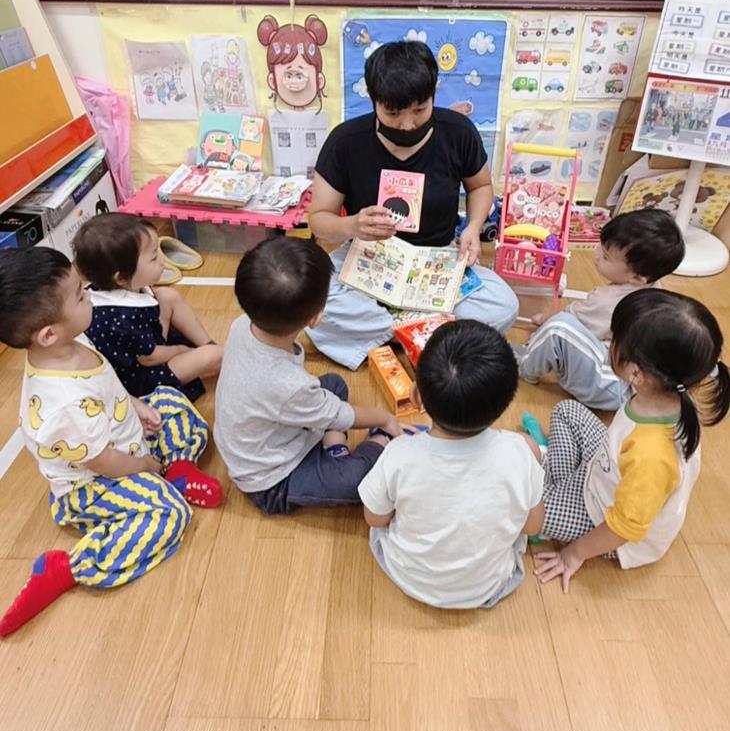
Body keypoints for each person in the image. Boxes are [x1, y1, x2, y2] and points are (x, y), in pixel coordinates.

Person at [0, 248, 223, 637]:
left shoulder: (73, 340)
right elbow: (103, 462)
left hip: (123, 441)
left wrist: (135, 404)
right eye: (80, 296)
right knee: (169, 514)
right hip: (95, 483)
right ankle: (67, 568)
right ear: (49, 334)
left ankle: (178, 470)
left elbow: (106, 386)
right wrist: (145, 466)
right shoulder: (62, 405)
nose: (89, 294)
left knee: (171, 401)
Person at [305, 41, 519, 370]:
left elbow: (480, 186)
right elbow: (319, 219)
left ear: (433, 94)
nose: (407, 124)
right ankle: (426, 332)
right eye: (393, 113)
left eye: (420, 110)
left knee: (503, 304)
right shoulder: (345, 141)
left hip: (439, 257)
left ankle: (390, 330)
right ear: (373, 99)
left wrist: (474, 228)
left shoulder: (458, 131)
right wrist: (352, 225)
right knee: (311, 299)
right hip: (367, 257)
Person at [529, 289, 730, 592]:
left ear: (636, 372)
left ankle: (552, 489)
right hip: (605, 470)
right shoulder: (665, 392)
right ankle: (557, 483)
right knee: (567, 410)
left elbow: (623, 528)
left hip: (601, 518)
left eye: (613, 339)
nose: (608, 343)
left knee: (524, 511)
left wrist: (574, 553)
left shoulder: (652, 454)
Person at [358, 319, 544, 609]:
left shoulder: (399, 454)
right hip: (487, 587)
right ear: (506, 404)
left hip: (408, 576)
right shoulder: (520, 452)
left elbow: (375, 519)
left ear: (415, 395)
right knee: (529, 454)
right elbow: (532, 527)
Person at [215, 237, 405, 515]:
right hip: (270, 479)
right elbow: (337, 412)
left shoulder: (242, 324)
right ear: (315, 318)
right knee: (355, 482)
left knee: (334, 385)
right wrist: (384, 419)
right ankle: (377, 442)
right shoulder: (287, 385)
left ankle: (333, 446)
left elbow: (296, 395)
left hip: (270, 429)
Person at [514, 209, 685, 410]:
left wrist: (544, 319)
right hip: (632, 383)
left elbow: (570, 320)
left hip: (610, 386)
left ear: (637, 278)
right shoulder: (654, 288)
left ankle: (524, 367)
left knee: (557, 329)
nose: (596, 256)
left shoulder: (608, 301)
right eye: (600, 246)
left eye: (605, 256)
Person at [74, 213, 223, 402]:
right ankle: (221, 355)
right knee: (210, 357)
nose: (162, 261)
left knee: (168, 296)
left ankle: (208, 344)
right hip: (143, 378)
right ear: (121, 277)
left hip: (148, 344)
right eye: (153, 258)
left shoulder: (112, 287)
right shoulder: (119, 318)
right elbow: (149, 358)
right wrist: (180, 350)